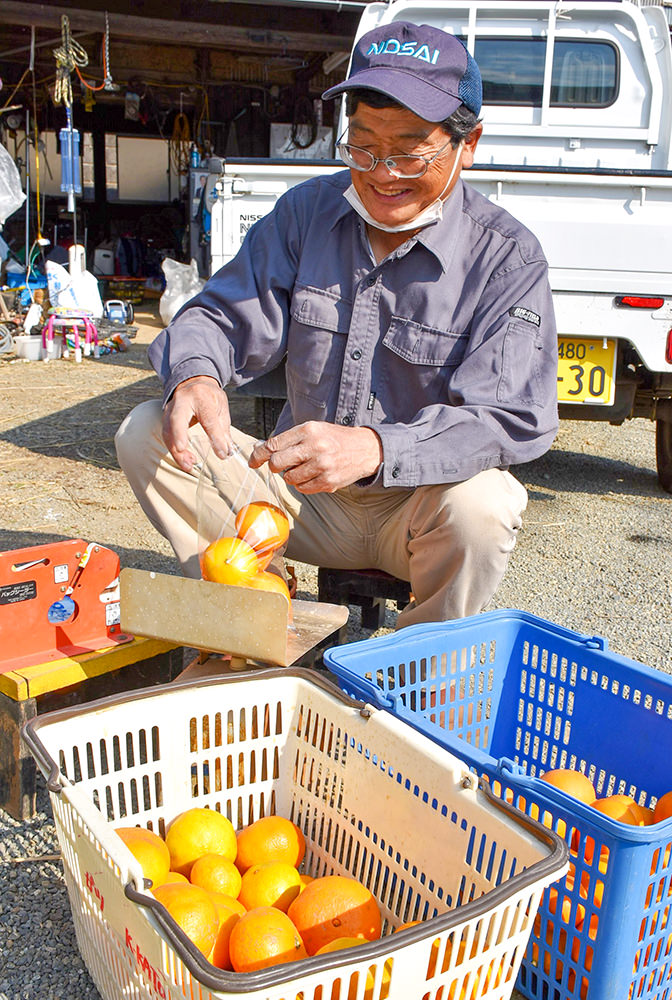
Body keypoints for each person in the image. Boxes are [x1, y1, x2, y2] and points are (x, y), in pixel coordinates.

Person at [115, 21, 558, 627]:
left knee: (485, 503)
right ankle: (249, 612)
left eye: (408, 151)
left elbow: (509, 419)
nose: (381, 173)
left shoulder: (507, 258)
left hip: (416, 510)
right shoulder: (306, 213)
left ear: (468, 144)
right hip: (300, 498)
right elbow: (223, 314)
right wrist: (196, 373)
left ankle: (411, 669)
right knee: (147, 432)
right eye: (363, 145)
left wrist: (377, 448)